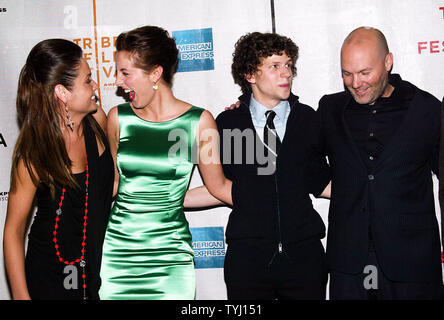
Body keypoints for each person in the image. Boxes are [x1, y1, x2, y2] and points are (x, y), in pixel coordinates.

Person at [186, 32, 331, 300]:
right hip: (247, 259)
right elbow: (218, 185)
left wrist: (374, 185)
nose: (286, 73)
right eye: (275, 66)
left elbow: (320, 181)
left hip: (304, 256)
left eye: (288, 65)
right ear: (250, 74)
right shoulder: (227, 123)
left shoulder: (309, 119)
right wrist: (162, 198)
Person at [99, 25, 232, 300]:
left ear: (155, 73)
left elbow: (217, 187)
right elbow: (111, 184)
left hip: (170, 257)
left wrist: (273, 196)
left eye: (125, 73)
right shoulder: (117, 119)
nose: (118, 83)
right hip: (118, 255)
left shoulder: (197, 123)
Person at [318, 26, 443, 299]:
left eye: (365, 73)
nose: (355, 83)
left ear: (388, 62)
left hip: (413, 265)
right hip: (349, 266)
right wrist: (247, 104)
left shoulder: (427, 109)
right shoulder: (330, 109)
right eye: (347, 74)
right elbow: (302, 159)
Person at [3, 39, 114, 300]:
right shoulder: (34, 154)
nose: (95, 86)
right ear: (62, 93)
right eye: (88, 80)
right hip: (49, 278)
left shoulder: (98, 120)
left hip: (91, 276)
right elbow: (13, 231)